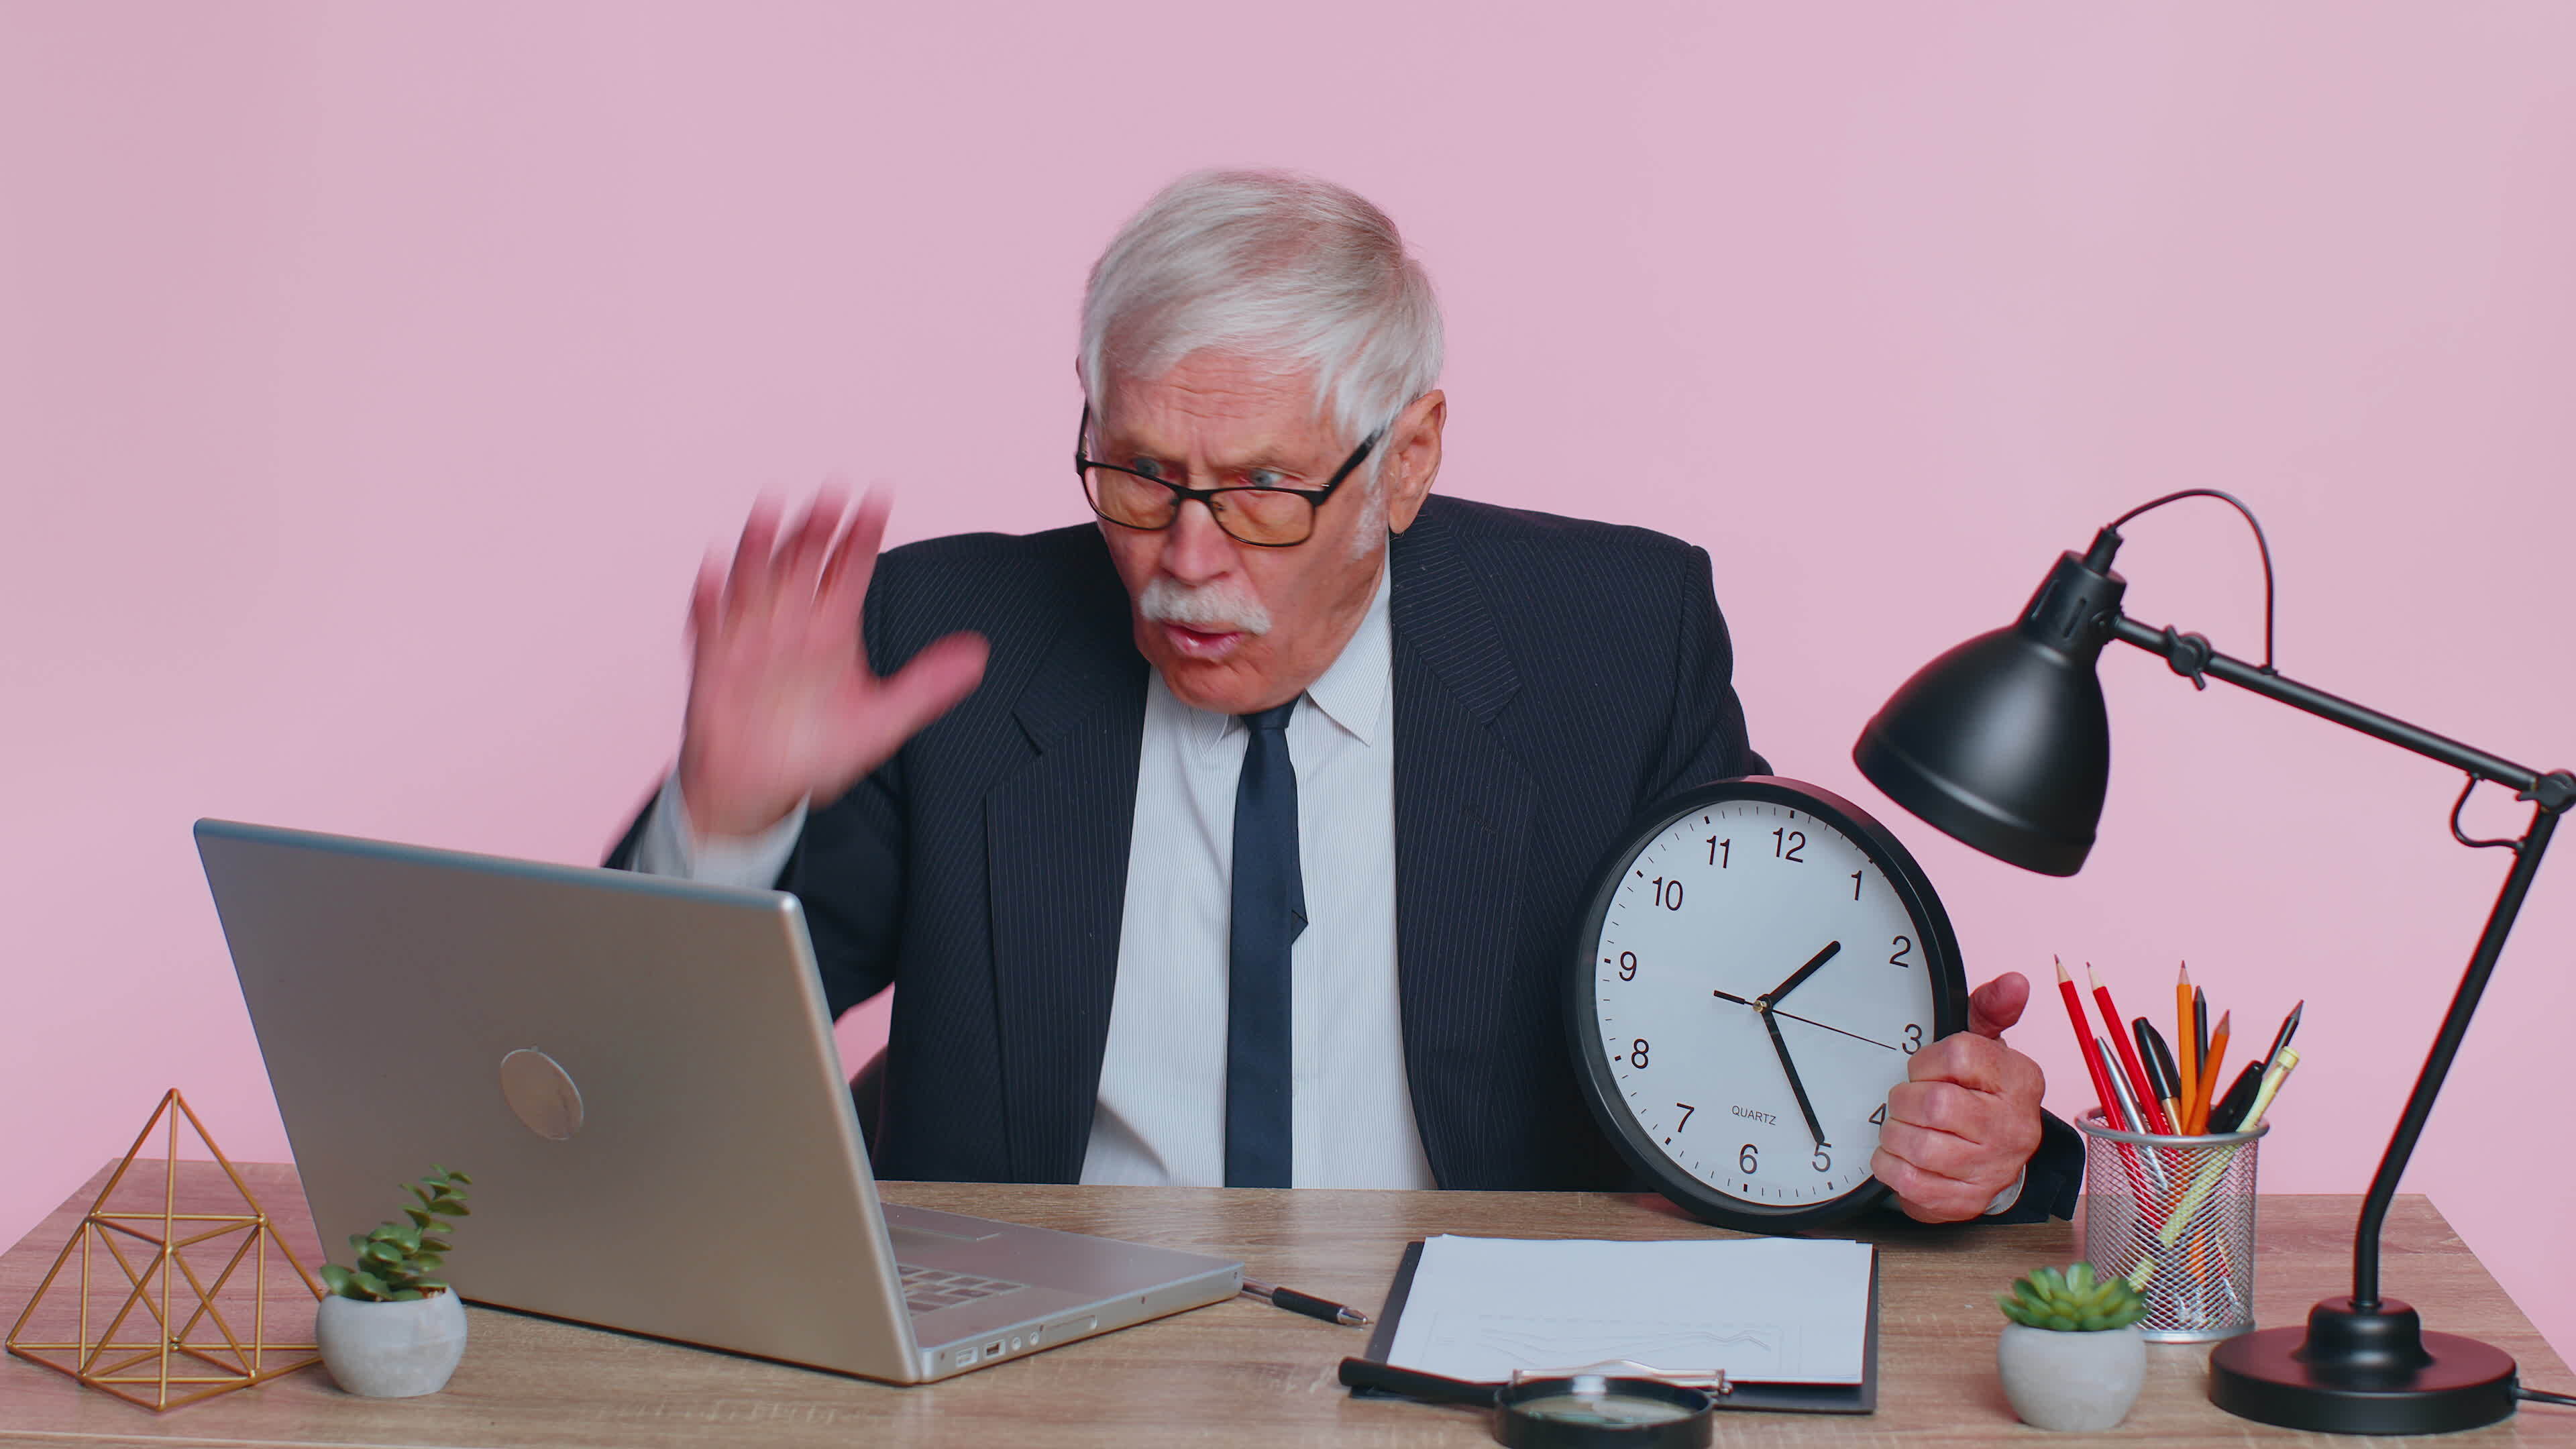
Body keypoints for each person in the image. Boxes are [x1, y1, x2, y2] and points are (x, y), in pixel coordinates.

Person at [610, 170, 2080, 1219]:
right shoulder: (946, 632)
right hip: (1038, 1380)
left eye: (1262, 489)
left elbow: (1758, 1058)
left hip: (1469, 1364)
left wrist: (1967, 1146)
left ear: (1410, 456)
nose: (1185, 563)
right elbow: (649, 1101)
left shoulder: (1614, 640)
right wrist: (721, 831)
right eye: (1138, 474)